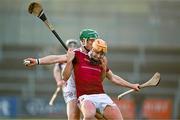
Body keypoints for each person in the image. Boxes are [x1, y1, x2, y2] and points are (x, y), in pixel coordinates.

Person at [63, 39, 140, 120]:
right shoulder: (78, 55)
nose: (99, 56)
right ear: (92, 49)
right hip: (85, 96)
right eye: (97, 52)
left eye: (102, 54)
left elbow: (111, 78)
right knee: (89, 115)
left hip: (101, 95)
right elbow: (64, 77)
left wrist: (132, 86)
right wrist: (69, 62)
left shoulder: (101, 61)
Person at [53, 39, 80, 120]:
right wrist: (59, 81)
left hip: (82, 87)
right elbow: (56, 70)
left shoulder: (81, 57)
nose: (72, 47)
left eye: (74, 45)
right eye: (70, 45)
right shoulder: (62, 59)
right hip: (69, 87)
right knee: (73, 114)